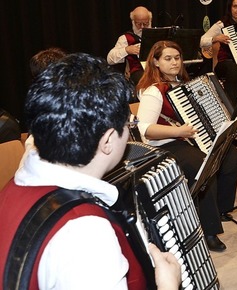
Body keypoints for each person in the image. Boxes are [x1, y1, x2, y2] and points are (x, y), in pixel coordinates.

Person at [0, 53, 180, 289]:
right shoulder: (86, 234)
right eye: (128, 125)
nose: (129, 132)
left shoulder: (16, 183)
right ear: (107, 140)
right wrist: (168, 285)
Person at [136, 40, 237, 252]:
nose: (174, 62)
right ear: (155, 62)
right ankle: (209, 230)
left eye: (177, 57)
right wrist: (178, 132)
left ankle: (219, 208)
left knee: (230, 157)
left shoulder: (184, 85)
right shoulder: (153, 91)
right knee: (204, 166)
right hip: (166, 145)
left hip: (191, 139)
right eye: (167, 58)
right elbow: (144, 129)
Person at [107, 6, 152, 86]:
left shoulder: (158, 34)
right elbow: (110, 59)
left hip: (158, 69)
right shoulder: (125, 38)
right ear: (133, 22)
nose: (142, 27)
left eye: (145, 23)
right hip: (138, 72)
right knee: (145, 80)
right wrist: (126, 50)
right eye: (138, 24)